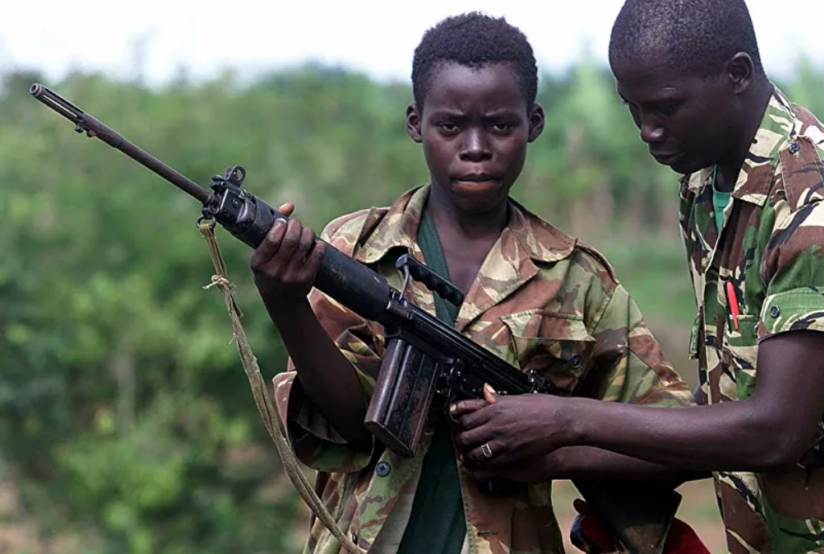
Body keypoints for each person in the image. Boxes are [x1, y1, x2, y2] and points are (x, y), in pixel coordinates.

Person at [450, 1, 824, 552]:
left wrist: (567, 421)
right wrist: (544, 452)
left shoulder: (822, 203)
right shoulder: (706, 183)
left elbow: (774, 430)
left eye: (665, 107)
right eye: (633, 108)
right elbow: (724, 406)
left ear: (737, 74)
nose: (647, 130)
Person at [250, 11, 693, 554]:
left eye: (500, 125)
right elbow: (349, 424)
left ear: (534, 123)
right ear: (416, 123)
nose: (476, 147)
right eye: (451, 125)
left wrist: (556, 440)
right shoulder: (354, 249)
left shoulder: (574, 278)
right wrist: (286, 305)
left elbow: (674, 435)